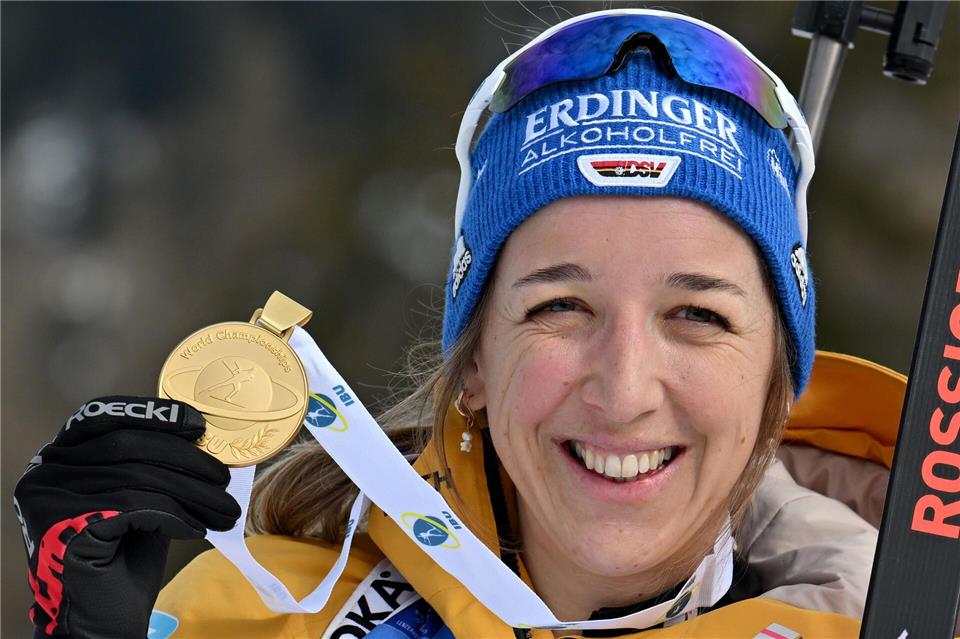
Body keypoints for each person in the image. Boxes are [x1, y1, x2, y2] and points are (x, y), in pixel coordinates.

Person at [14, 8, 904, 639]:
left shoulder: (912, 612)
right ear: (475, 358)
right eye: (561, 306)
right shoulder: (260, 616)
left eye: (697, 314)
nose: (625, 388)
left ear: (778, 375)